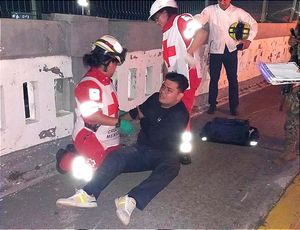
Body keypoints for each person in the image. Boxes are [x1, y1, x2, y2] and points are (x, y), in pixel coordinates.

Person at [56, 72, 190, 226]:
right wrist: (117, 121)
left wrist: (143, 120)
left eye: (169, 90)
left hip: (164, 154)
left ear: (179, 96)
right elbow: (136, 113)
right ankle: (88, 193)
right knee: (117, 156)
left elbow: (155, 135)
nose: (163, 92)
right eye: (163, 86)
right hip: (142, 148)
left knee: (172, 167)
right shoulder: (154, 98)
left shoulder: (180, 115)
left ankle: (130, 200)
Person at [56, 35, 133, 180]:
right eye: (115, 63)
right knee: (95, 174)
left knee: (119, 164)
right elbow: (92, 116)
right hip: (89, 136)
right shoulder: (89, 85)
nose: (115, 68)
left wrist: (120, 114)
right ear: (108, 62)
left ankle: (93, 156)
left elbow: (107, 106)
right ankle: (66, 158)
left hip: (108, 135)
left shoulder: (106, 81)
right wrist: (119, 122)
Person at [148, 0, 207, 163]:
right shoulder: (167, 32)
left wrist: (189, 52)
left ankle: (184, 150)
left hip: (187, 79)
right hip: (175, 81)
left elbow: (201, 33)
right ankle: (174, 144)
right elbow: (169, 61)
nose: (156, 22)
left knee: (182, 114)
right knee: (173, 113)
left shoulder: (181, 20)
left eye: (157, 17)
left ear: (165, 12)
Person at [188, 0, 258, 115]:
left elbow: (253, 23)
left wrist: (249, 39)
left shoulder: (238, 12)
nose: (223, 2)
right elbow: (200, 18)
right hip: (215, 50)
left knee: (232, 79)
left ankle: (233, 107)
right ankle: (212, 105)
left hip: (231, 49)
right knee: (214, 79)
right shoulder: (210, 10)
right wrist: (192, 22)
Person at [275, 19, 300, 164]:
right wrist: (292, 43)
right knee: (292, 116)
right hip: (296, 75)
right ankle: (290, 150)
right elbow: (293, 49)